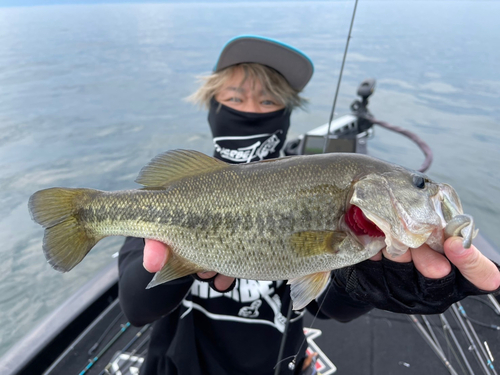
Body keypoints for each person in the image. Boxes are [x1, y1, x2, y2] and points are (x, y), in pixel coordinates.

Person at [118, 36, 500, 375]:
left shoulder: (321, 185)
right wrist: (179, 260)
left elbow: (333, 305)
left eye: (269, 99)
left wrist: (372, 282)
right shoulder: (179, 191)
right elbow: (137, 308)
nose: (251, 108)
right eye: (234, 98)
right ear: (211, 105)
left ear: (287, 111)